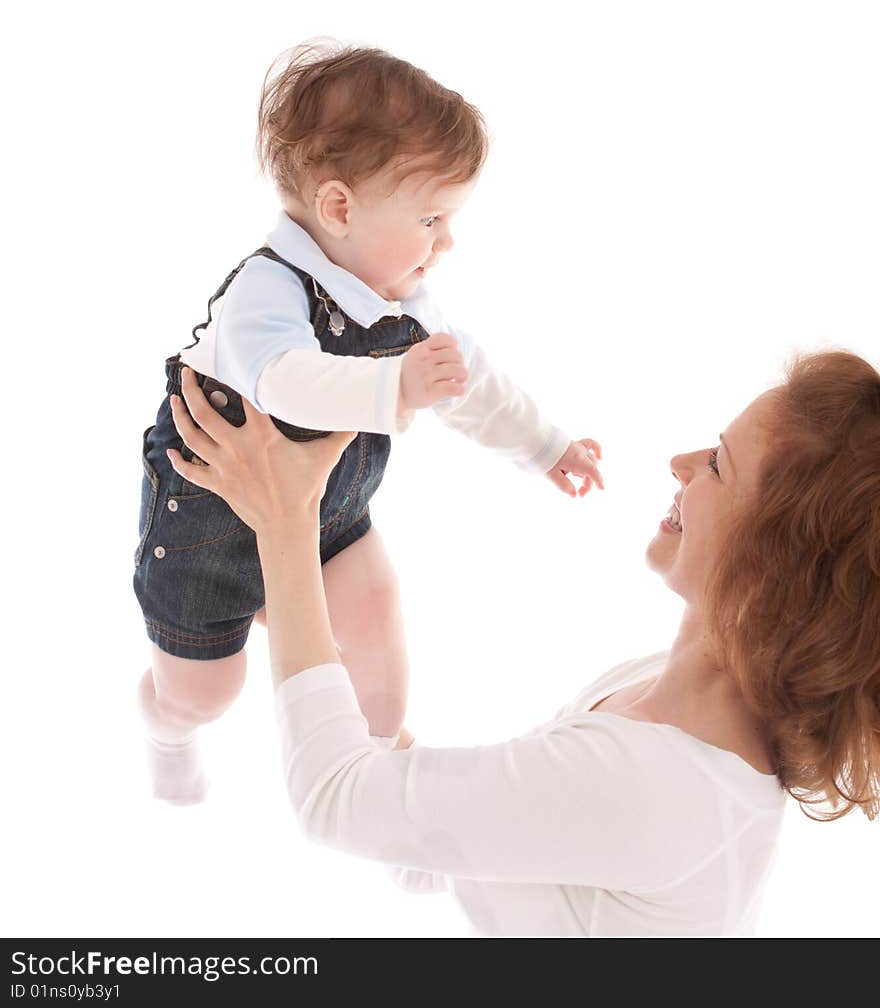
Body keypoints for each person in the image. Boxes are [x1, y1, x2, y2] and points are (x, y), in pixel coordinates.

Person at [164, 351, 880, 937]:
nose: (680, 462)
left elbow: (335, 800)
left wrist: (286, 521)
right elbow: (444, 848)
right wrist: (301, 615)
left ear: (773, 567)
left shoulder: (653, 782)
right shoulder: (655, 693)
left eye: (718, 466)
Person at [132, 41, 604, 805]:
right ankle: (166, 726)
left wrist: (545, 447)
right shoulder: (266, 288)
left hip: (328, 520)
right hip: (208, 529)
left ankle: (382, 772)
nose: (446, 241)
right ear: (339, 207)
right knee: (204, 693)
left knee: (377, 617)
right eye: (430, 217)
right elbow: (283, 383)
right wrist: (396, 384)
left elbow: (469, 382)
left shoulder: (401, 302)